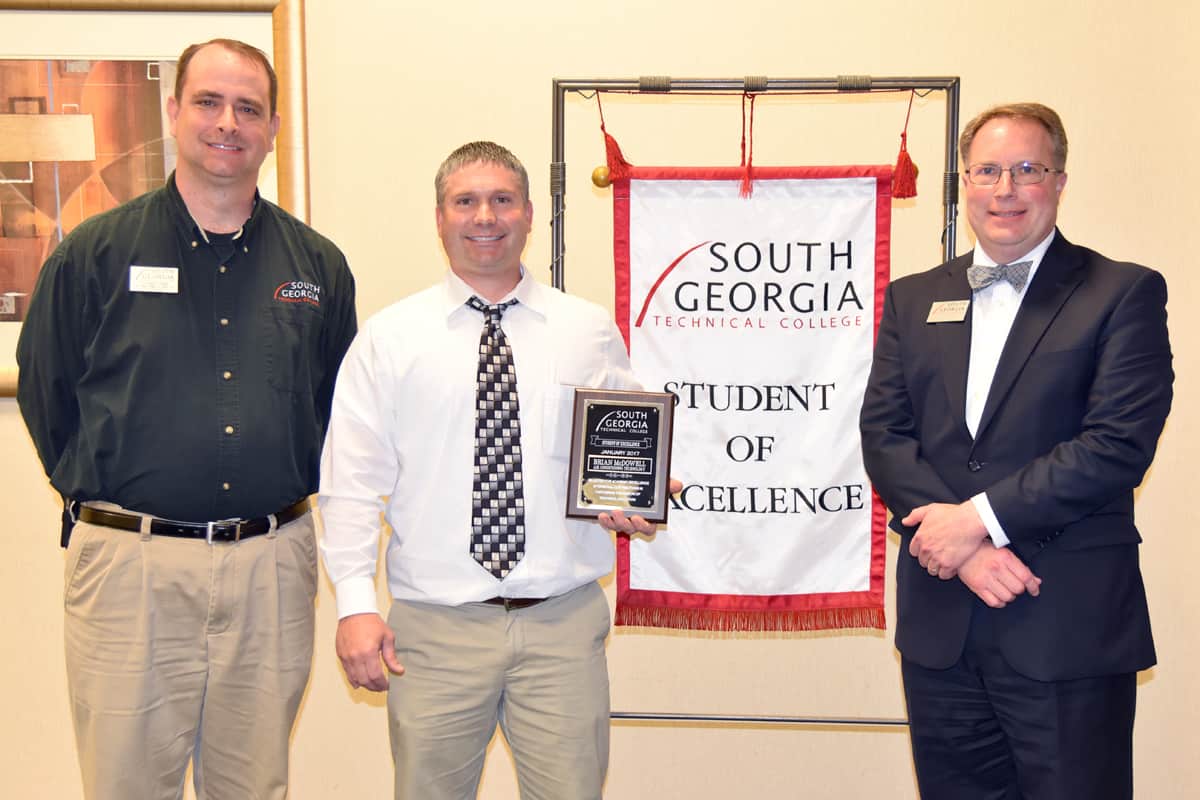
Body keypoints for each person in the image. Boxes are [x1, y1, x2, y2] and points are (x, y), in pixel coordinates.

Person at [16, 39, 357, 800]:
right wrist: (106, 492)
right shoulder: (95, 254)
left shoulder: (317, 267)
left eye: (248, 108)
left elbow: (335, 410)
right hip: (131, 568)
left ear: (272, 129)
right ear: (174, 112)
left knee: (253, 785)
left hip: (271, 564)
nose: (227, 122)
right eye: (208, 101)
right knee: (125, 785)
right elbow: (48, 392)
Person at [319, 140, 665, 800]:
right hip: (434, 629)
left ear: (529, 214)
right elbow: (352, 484)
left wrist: (637, 499)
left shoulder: (586, 329)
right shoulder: (390, 338)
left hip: (560, 624)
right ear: (440, 216)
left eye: (502, 199)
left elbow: (623, 447)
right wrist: (356, 607)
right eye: (466, 201)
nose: (486, 216)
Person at [859, 101, 1173, 799]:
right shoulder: (912, 299)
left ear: (1059, 181)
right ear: (964, 183)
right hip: (942, 626)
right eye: (988, 171)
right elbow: (885, 434)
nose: (1005, 190)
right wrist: (964, 551)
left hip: (1065, 622)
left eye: (1027, 170)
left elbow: (1117, 445)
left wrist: (977, 522)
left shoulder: (1121, 293)